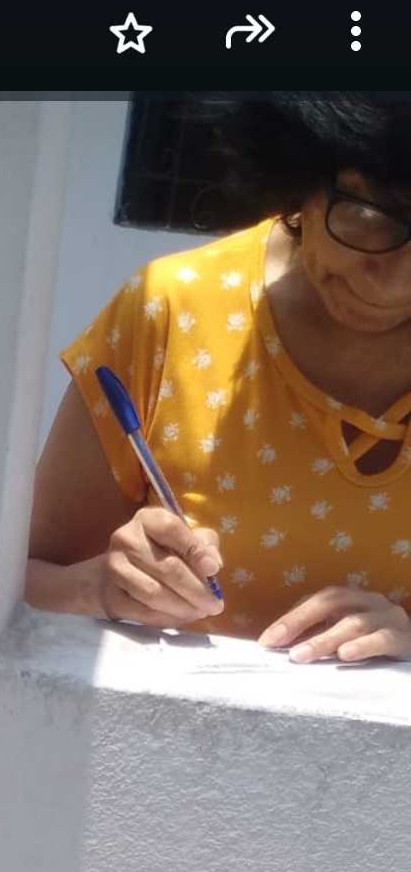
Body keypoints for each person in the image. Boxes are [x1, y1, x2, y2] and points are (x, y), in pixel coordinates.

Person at [26, 95, 411, 664]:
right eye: (371, 218)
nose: (394, 285)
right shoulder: (171, 310)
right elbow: (17, 585)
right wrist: (101, 587)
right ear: (301, 173)